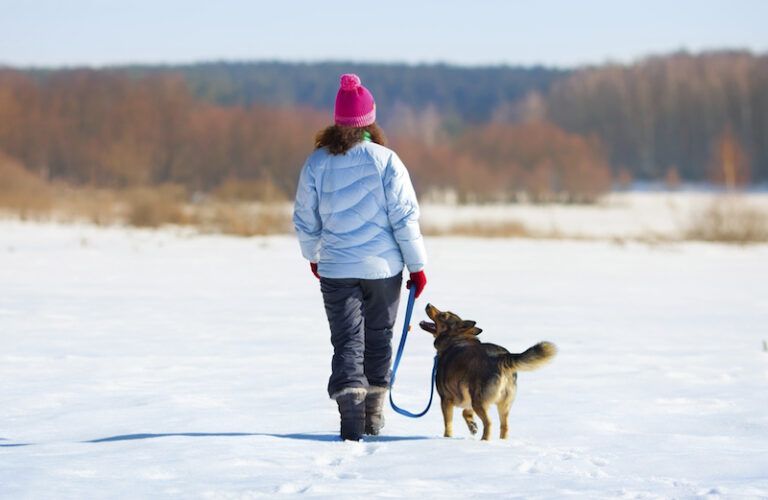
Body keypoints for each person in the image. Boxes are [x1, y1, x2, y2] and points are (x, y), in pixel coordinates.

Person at [293, 73, 427, 441]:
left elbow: (305, 219)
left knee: (347, 340)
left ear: (336, 122)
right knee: (379, 336)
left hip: (337, 268)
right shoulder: (387, 160)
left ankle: (351, 413)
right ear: (370, 120)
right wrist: (417, 266)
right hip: (384, 270)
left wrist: (314, 256)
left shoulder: (316, 163)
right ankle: (373, 414)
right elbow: (404, 217)